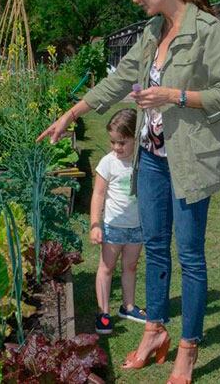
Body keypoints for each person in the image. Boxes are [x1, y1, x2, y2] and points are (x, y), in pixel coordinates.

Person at [37, 0, 220, 383]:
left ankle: (187, 350)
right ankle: (154, 333)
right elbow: (118, 79)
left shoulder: (208, 30)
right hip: (151, 158)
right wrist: (70, 115)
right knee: (154, 248)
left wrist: (174, 96)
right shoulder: (153, 30)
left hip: (190, 161)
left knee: (190, 257)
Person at [90, 109, 147, 334]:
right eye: (113, 142)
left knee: (130, 267)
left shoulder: (142, 160)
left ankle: (128, 306)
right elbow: (98, 195)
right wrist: (96, 224)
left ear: (136, 138)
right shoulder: (108, 163)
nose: (116, 147)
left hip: (137, 227)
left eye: (122, 142)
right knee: (107, 268)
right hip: (113, 227)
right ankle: (103, 312)